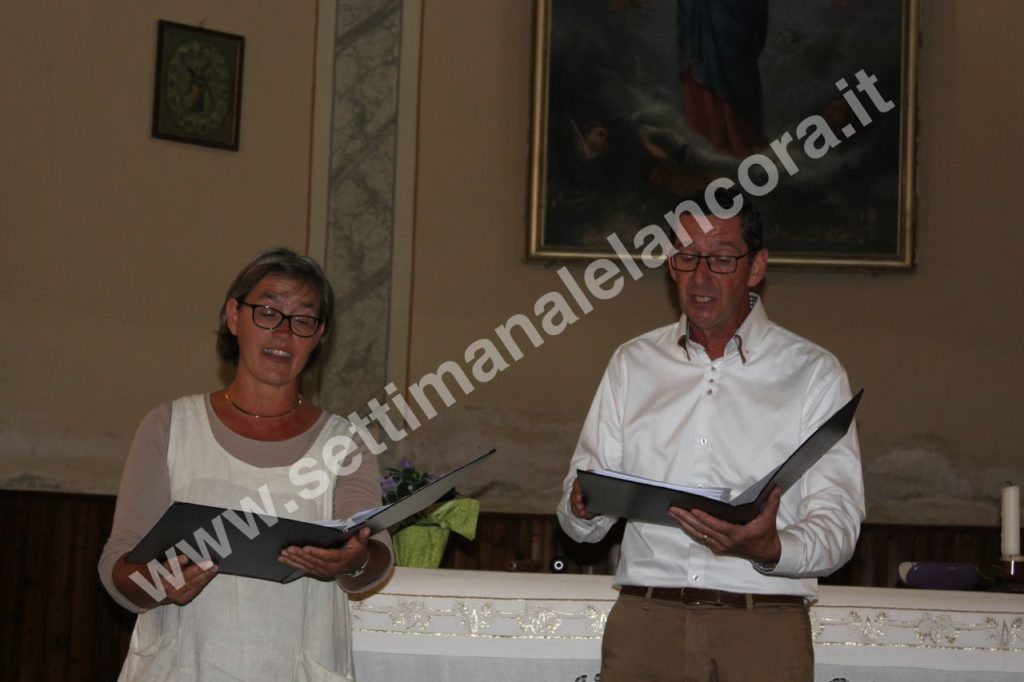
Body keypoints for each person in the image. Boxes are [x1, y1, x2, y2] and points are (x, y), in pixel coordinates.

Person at [557, 193, 864, 681]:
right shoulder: (632, 364)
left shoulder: (812, 373)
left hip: (762, 622)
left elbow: (840, 524)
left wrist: (771, 548)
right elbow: (579, 521)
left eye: (721, 258)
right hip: (646, 620)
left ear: (756, 266)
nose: (700, 277)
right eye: (686, 257)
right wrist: (583, 506)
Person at [99, 247, 394, 681]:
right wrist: (157, 583)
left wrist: (350, 560)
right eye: (268, 312)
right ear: (234, 316)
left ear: (318, 336)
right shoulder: (171, 426)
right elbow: (118, 566)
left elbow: (374, 560)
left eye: (303, 320)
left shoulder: (346, 442)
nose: (283, 333)